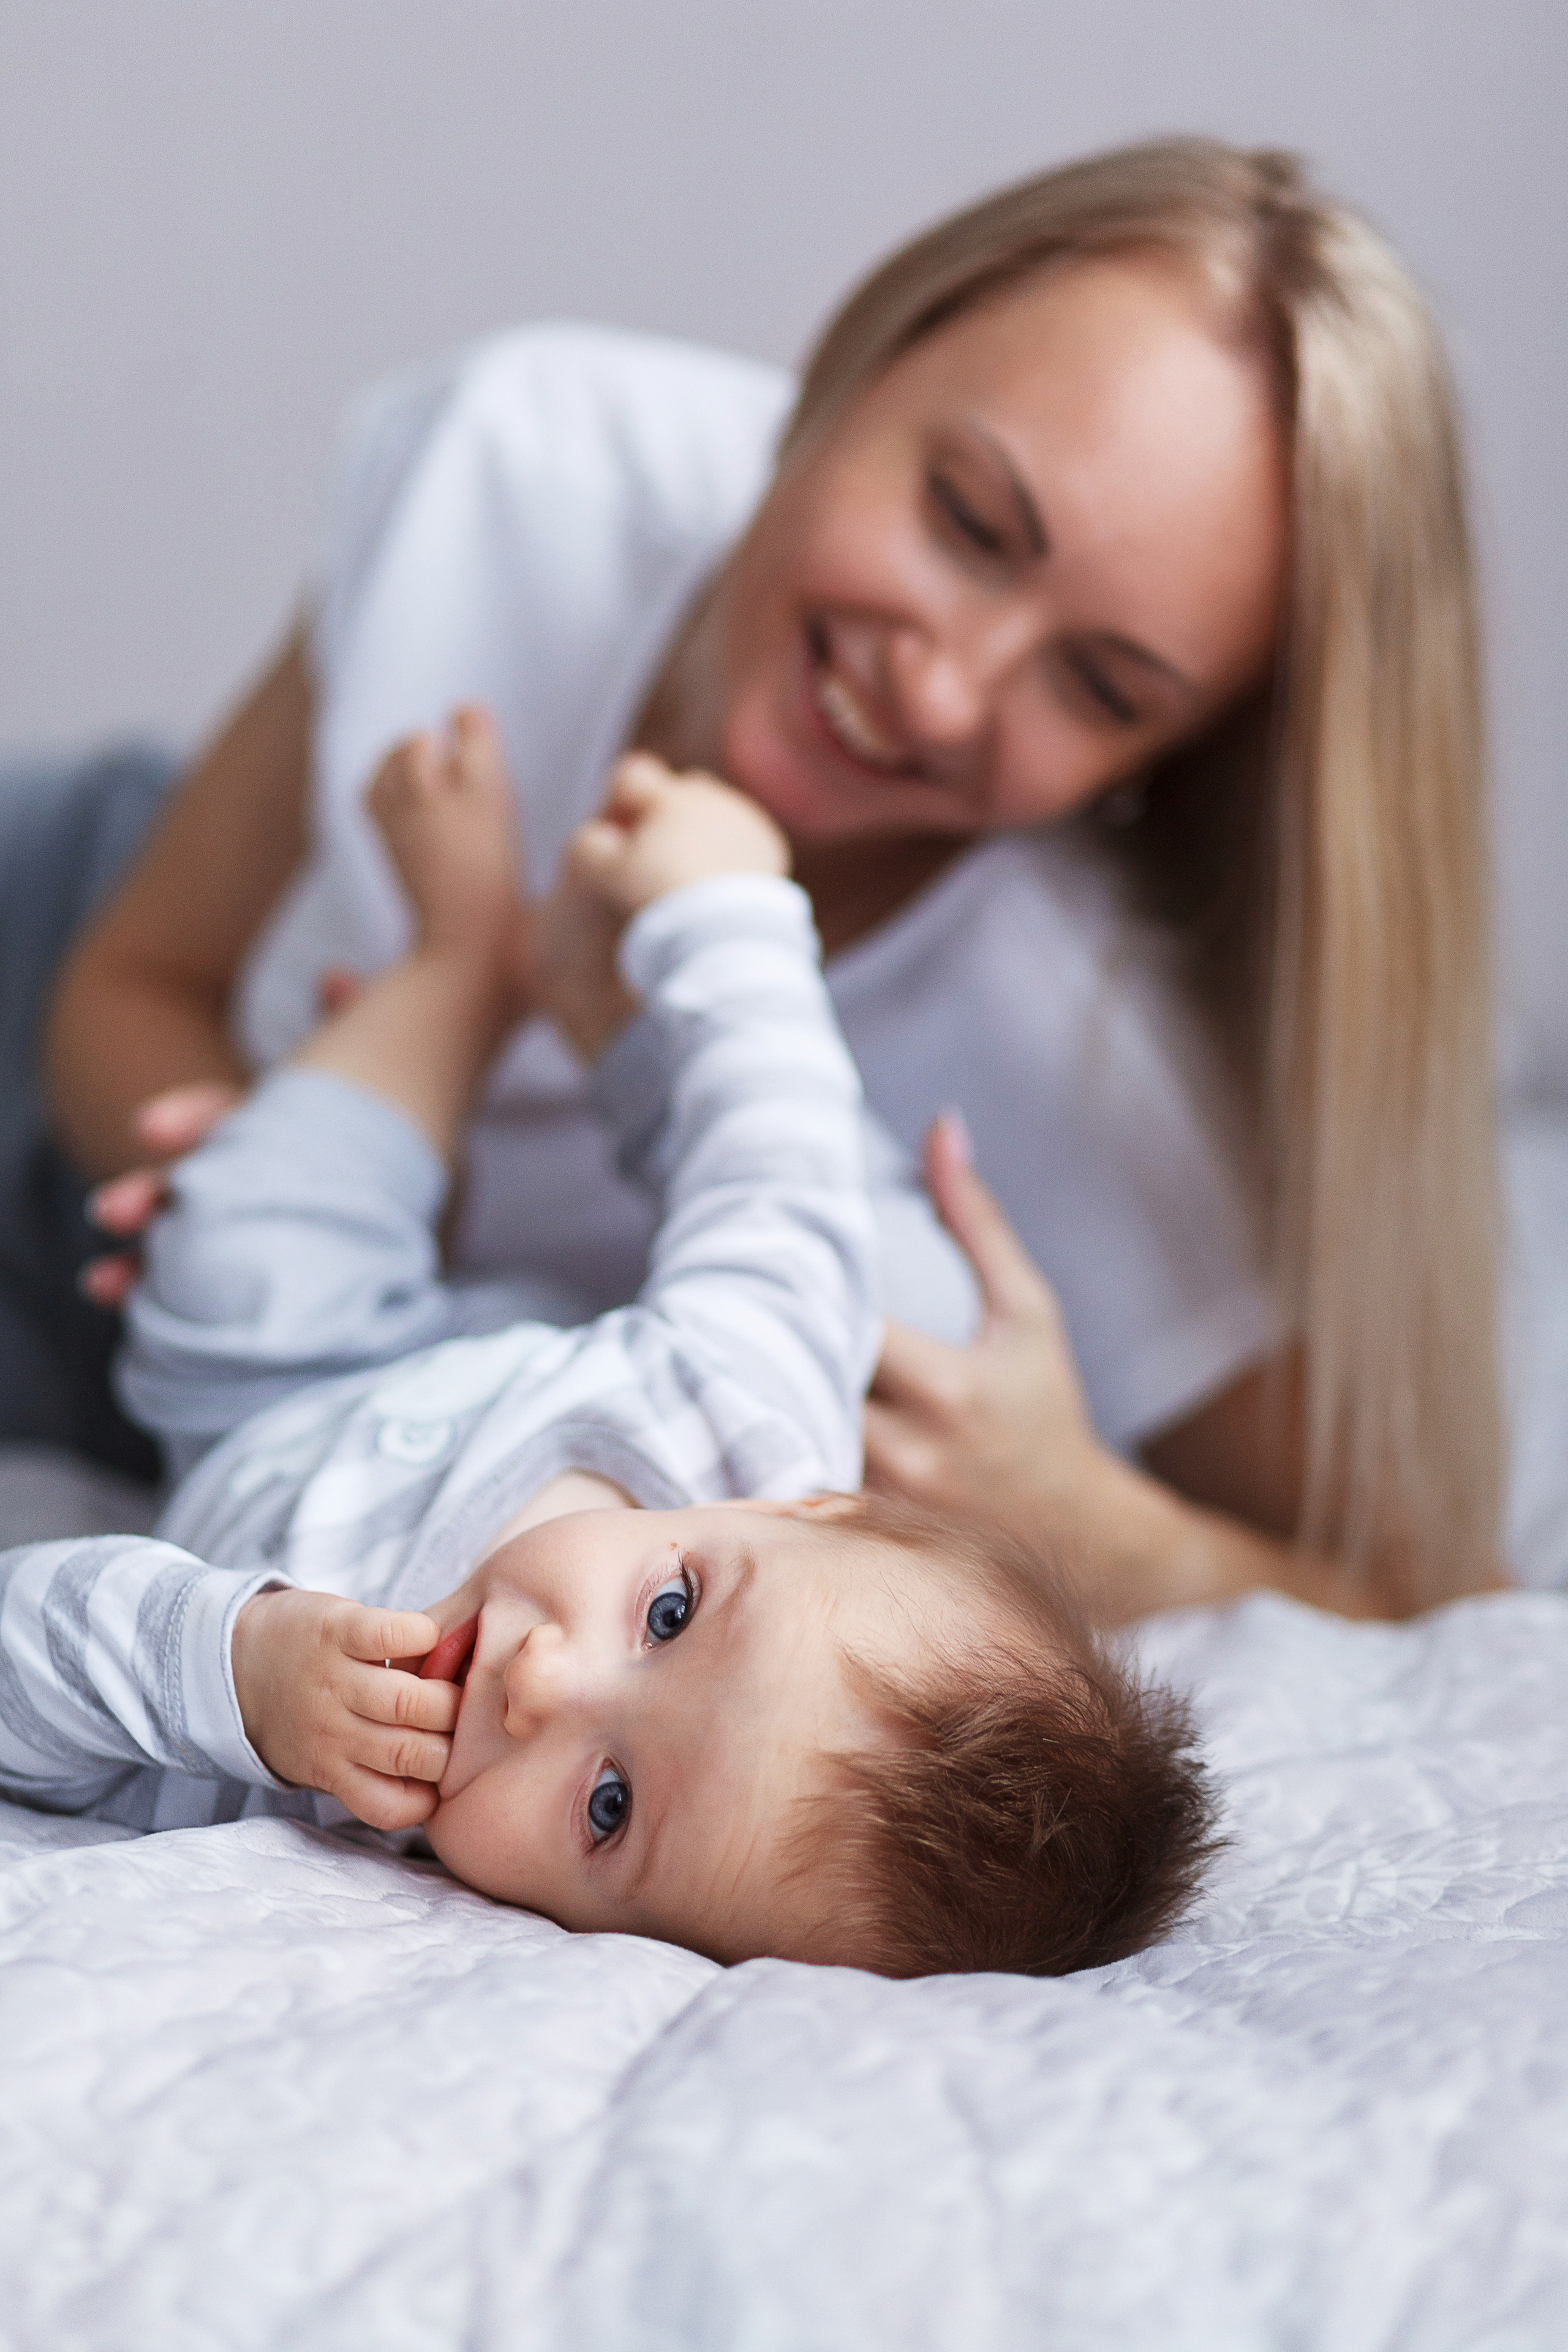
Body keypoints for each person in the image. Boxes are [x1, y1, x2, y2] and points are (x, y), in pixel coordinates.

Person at [22, 137, 1499, 1620]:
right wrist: (253, 1186)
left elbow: (1426, 1588)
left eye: (1101, 687)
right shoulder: (524, 466)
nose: (941, 693)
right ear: (860, 356)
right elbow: (133, 982)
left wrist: (1109, 1535)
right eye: (967, 520)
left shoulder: (1077, 1047)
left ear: (1158, 765)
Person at [0, 725, 1216, 1977]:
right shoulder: (733, 1417)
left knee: (230, 1256)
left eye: (608, 1807)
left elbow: (18, 1671)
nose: (544, 1684)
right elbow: (778, 1177)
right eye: (670, 1612)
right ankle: (473, 964)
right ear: (809, 1507)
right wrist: (730, 912)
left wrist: (230, 1673)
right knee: (884, 1279)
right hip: (437, 1348)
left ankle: (450, 970)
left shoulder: (307, 1807)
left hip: (263, 1397)